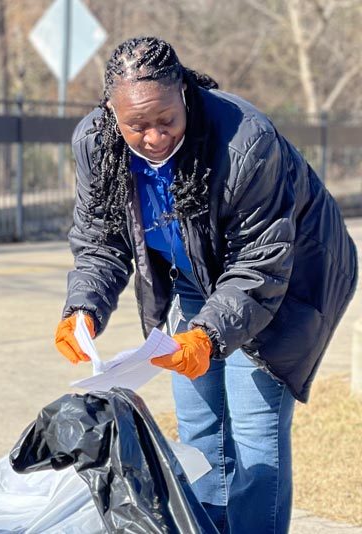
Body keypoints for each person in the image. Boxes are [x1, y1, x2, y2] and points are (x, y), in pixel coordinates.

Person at [54, 36, 357, 534]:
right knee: (199, 428)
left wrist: (209, 336)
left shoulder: (244, 141)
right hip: (196, 279)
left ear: (185, 95)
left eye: (166, 120)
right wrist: (83, 306)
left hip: (288, 278)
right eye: (137, 125)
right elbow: (100, 239)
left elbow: (260, 264)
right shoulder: (95, 143)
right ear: (112, 111)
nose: (153, 137)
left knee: (255, 435)